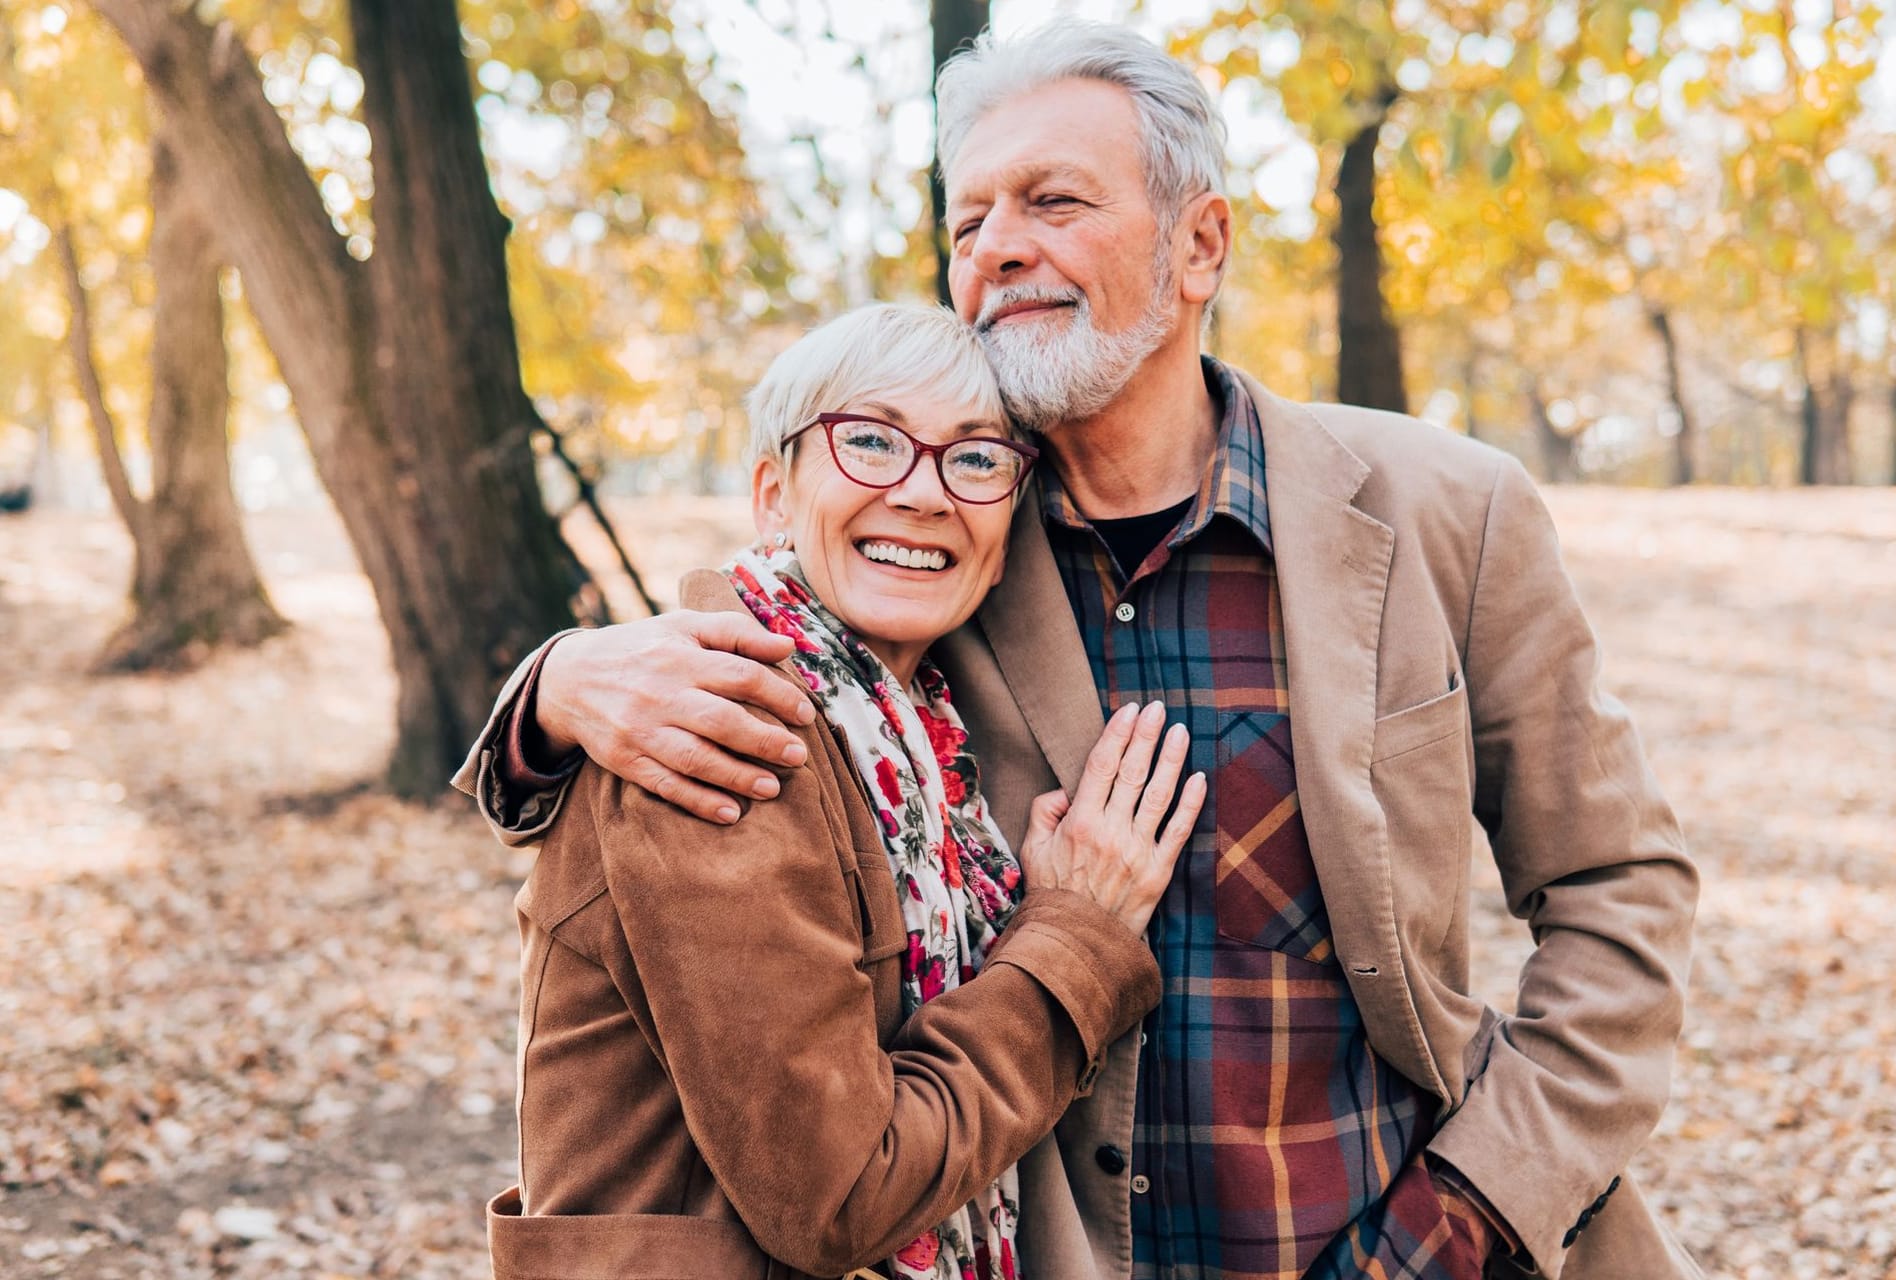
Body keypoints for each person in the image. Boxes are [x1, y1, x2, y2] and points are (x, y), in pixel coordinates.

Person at [457, 20, 1700, 1280]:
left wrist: (1472, 1210)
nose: (999, 246)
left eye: (1054, 199)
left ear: (1199, 242)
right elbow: (752, 646)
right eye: (968, 222)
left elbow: (1620, 887)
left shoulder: (1450, 512)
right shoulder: (937, 549)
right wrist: (552, 685)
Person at [479, 302, 1209, 1280]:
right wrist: (1076, 937)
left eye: (977, 459)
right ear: (773, 494)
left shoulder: (923, 736)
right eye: (870, 441)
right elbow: (842, 1195)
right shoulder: (720, 728)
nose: (922, 492)